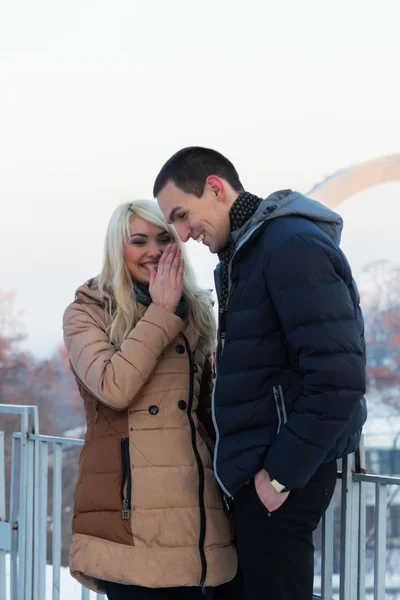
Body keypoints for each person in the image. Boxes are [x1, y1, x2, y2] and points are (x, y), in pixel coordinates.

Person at [153, 147, 367, 600]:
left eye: (182, 215)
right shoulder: (246, 253)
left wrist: (278, 475)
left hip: (279, 479)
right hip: (255, 477)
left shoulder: (289, 245)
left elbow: (338, 376)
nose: (183, 234)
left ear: (215, 188)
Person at [63, 199, 237, 600]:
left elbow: (209, 409)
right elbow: (113, 387)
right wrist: (160, 311)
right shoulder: (87, 311)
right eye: (138, 241)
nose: (154, 251)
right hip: (133, 516)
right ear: (116, 249)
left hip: (199, 513)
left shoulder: (196, 309)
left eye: (164, 238)